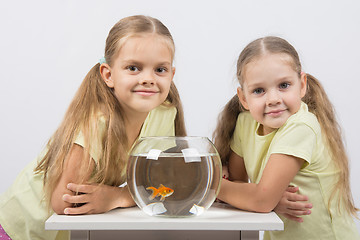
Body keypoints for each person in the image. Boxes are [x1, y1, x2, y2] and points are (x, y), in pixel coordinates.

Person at [0, 15, 186, 240]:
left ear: (171, 75)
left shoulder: (164, 113)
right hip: (20, 227)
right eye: (134, 68)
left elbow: (163, 183)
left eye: (160, 70)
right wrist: (126, 195)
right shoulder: (97, 122)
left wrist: (118, 197)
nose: (148, 78)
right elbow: (63, 201)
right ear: (108, 75)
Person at [213, 36, 359, 239]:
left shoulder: (301, 126)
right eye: (259, 90)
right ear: (244, 98)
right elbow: (240, 187)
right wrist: (267, 200)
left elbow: (260, 200)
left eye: (283, 85)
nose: (273, 99)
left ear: (302, 84)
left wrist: (209, 184)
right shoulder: (245, 123)